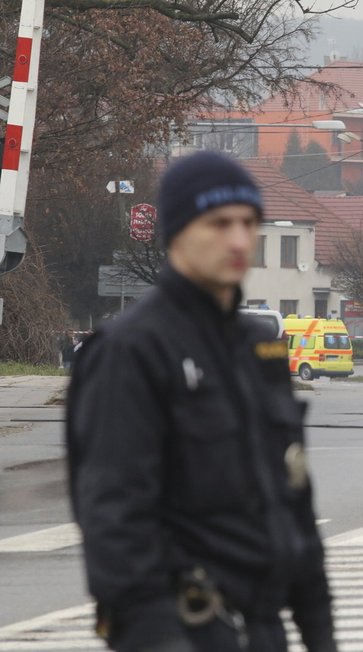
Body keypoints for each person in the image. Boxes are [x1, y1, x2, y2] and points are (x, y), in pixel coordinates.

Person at [66, 152, 338, 652]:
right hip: (182, 628)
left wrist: (320, 634)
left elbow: (292, 501)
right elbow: (114, 520)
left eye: (248, 223)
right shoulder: (131, 351)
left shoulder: (260, 348)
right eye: (218, 223)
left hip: (261, 630)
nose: (238, 240)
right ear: (178, 232)